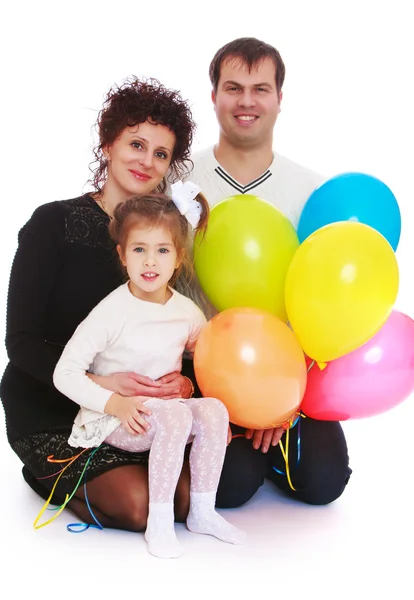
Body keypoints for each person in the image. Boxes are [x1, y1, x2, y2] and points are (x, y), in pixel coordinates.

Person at [0, 76, 265, 534]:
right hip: (54, 405)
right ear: (108, 144)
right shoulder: (52, 223)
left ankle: (134, 467)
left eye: (160, 154)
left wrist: (185, 385)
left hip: (141, 413)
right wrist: (101, 384)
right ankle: (50, 474)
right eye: (136, 144)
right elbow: (19, 342)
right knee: (140, 507)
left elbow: (179, 335)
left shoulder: (164, 245)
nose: (146, 161)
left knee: (194, 496)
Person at [186, 37, 352, 505]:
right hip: (204, 368)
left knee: (323, 482)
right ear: (214, 96)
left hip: (285, 370)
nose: (246, 101)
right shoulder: (180, 182)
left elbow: (321, 303)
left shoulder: (311, 192)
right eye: (233, 87)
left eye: (260, 89)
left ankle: (270, 442)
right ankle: (239, 449)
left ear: (280, 99)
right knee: (229, 486)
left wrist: (282, 401)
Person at [53, 189, 246, 558]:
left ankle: (203, 513)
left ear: (178, 259)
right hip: (116, 419)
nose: (150, 261)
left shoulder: (187, 312)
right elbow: (66, 372)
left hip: (163, 413)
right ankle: (159, 522)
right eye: (139, 249)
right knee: (174, 415)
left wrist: (189, 383)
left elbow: (207, 359)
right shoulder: (112, 311)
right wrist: (115, 404)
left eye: (162, 250)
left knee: (215, 411)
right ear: (123, 255)